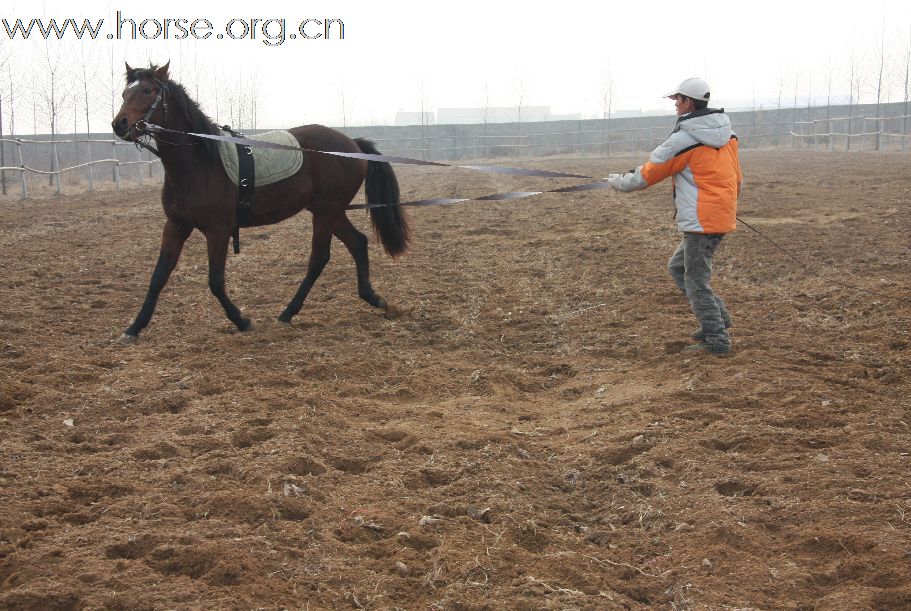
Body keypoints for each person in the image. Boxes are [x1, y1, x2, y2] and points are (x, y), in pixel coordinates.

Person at [607, 77, 742, 355]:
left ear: (688, 102)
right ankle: (718, 319)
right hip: (718, 216)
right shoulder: (728, 136)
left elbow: (647, 175)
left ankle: (717, 340)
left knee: (695, 281)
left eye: (677, 100)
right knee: (678, 268)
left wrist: (618, 182)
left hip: (701, 222)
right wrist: (723, 205)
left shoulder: (683, 140)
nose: (675, 106)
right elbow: (738, 178)